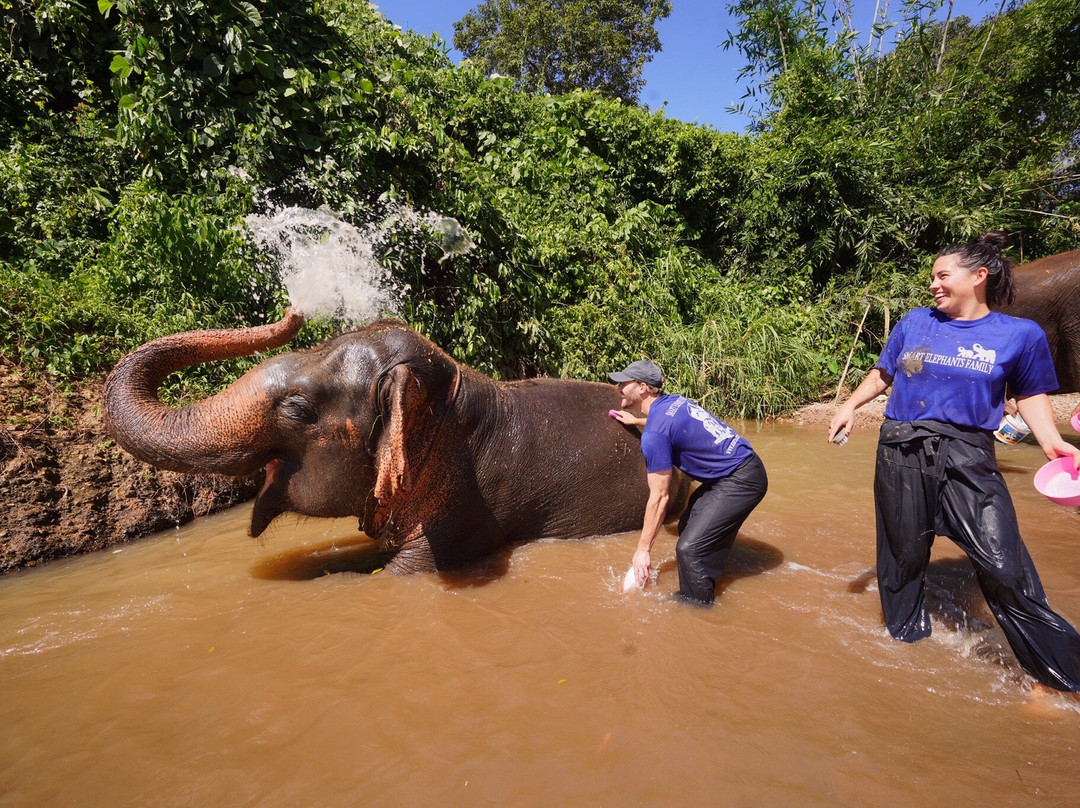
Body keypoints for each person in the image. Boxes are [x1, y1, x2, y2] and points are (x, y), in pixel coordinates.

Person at [828, 231, 1080, 692]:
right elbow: (884, 372)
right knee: (903, 559)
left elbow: (1030, 393)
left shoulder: (1018, 334)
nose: (933, 285)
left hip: (969, 456)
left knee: (1004, 565)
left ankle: (1056, 679)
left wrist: (1051, 441)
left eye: (942, 276)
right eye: (932, 277)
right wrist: (850, 405)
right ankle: (905, 650)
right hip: (901, 450)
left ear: (978, 276)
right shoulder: (915, 322)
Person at [609, 359, 768, 604]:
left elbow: (660, 497)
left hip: (741, 480)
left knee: (689, 550)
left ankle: (697, 607)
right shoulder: (674, 402)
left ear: (642, 388)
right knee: (687, 527)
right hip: (741, 469)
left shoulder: (654, 435)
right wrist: (637, 421)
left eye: (624, 383)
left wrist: (642, 551)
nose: (619, 388)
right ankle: (713, 572)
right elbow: (670, 423)